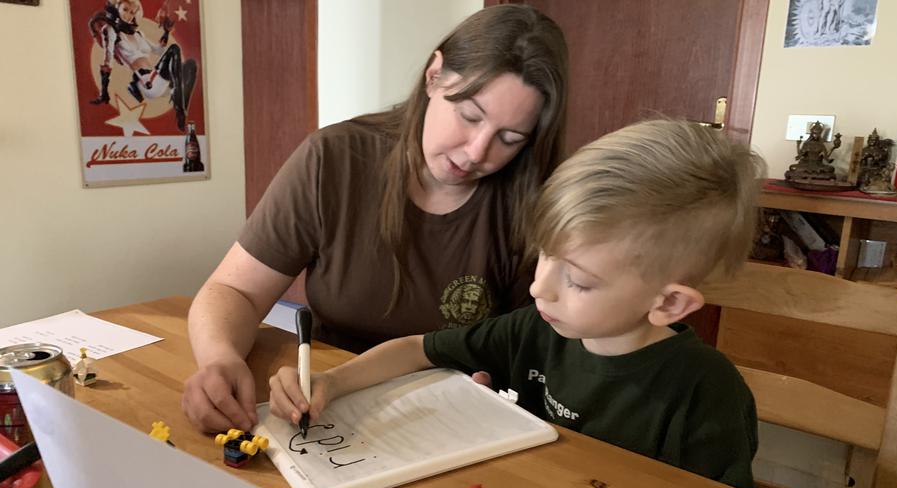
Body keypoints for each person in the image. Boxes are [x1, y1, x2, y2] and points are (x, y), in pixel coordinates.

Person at [269, 119, 766, 488]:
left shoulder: (708, 395)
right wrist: (331, 382)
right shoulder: (540, 328)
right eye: (544, 255)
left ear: (669, 303)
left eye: (578, 280)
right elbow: (417, 348)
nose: (539, 288)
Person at [182, 5, 568, 433]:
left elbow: (538, 346)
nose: (478, 151)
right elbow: (235, 289)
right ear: (433, 75)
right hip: (324, 398)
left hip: (450, 416)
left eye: (509, 139)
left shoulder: (534, 199)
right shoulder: (334, 160)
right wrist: (220, 359)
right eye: (469, 116)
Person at [88, 0, 197, 131]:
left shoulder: (138, 34)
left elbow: (158, 50)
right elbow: (108, 57)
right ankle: (180, 109)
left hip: (159, 78)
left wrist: (166, 33)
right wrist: (104, 92)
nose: (129, 15)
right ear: (116, 8)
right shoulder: (111, 31)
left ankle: (179, 100)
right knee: (174, 49)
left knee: (191, 65)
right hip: (146, 82)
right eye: (125, 9)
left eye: (132, 12)